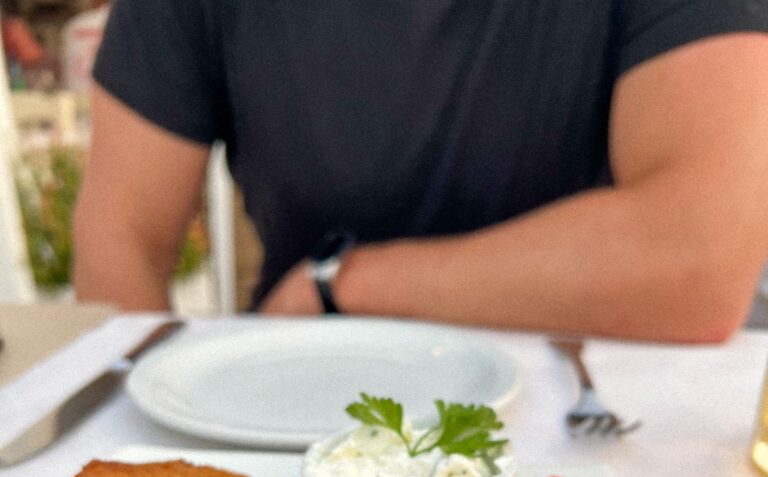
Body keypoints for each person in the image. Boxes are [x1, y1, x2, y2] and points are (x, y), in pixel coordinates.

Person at [72, 1, 768, 343]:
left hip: (575, 397)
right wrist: (158, 424)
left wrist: (339, 286)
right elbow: (120, 237)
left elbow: (701, 261)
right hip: (300, 391)